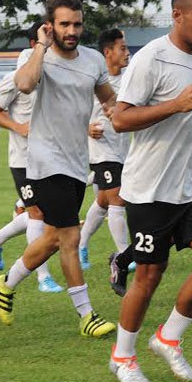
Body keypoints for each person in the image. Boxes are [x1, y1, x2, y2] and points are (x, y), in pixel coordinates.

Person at [107, 0, 192, 382]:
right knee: (149, 274)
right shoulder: (151, 58)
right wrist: (175, 106)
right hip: (150, 187)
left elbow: (187, 117)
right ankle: (123, 356)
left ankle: (168, 337)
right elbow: (121, 118)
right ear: (177, 15)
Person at [0, 0, 118, 339]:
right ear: (50, 25)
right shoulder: (38, 59)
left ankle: (6, 283)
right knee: (70, 237)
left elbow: (108, 98)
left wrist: (116, 112)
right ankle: (87, 315)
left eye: (77, 23)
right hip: (45, 162)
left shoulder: (91, 60)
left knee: (50, 238)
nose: (72, 30)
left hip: (78, 161)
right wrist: (41, 48)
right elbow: (25, 84)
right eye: (64, 24)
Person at [0, 21, 62, 293]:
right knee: (38, 214)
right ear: (34, 43)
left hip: (50, 158)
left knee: (44, 217)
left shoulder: (53, 74)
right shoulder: (17, 76)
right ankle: (43, 278)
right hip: (23, 161)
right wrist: (19, 128)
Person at [79, 29, 132, 270]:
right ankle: (124, 255)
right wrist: (87, 126)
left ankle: (81, 244)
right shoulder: (93, 80)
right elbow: (73, 111)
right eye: (122, 48)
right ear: (107, 52)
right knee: (117, 199)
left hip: (125, 149)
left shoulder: (130, 78)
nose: (127, 52)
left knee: (102, 200)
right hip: (101, 151)